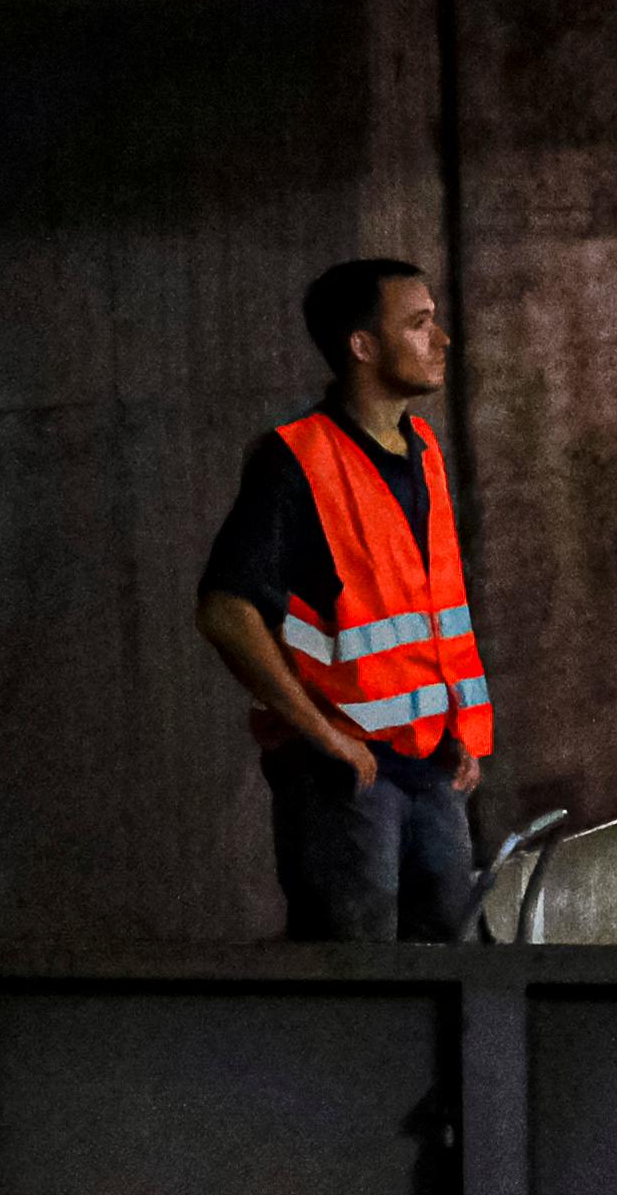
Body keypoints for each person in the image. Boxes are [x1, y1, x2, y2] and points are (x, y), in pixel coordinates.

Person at [198, 260, 492, 941]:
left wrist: (456, 724)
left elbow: (425, 611)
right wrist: (319, 732)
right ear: (362, 346)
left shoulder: (422, 448)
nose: (442, 338)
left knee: (453, 955)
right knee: (361, 979)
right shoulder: (294, 460)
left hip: (430, 764)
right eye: (418, 324)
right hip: (345, 777)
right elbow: (224, 609)